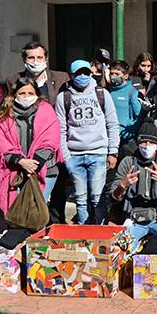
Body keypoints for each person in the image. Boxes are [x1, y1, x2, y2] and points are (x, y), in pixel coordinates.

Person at [56, 60, 120, 225]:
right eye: (78, 73)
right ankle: (83, 232)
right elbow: (61, 130)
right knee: (80, 199)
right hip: (74, 155)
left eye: (86, 72)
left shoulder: (102, 94)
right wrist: (66, 157)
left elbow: (112, 123)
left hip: (98, 154)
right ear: (71, 75)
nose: (82, 76)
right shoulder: (64, 97)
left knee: (98, 197)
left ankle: (100, 230)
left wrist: (113, 151)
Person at [0, 78, 63, 215]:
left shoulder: (47, 110)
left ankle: (34, 236)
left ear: (36, 93)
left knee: (36, 212)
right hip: (14, 169)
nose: (26, 97)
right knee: (16, 212)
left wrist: (34, 163)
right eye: (22, 93)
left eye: (30, 93)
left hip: (44, 168)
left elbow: (51, 138)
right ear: (14, 94)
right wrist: (21, 161)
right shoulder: (4, 113)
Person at [112, 122, 157, 239]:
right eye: (143, 142)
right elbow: (113, 197)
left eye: (151, 142)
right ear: (138, 143)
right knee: (123, 244)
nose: (147, 146)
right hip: (133, 217)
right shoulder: (128, 161)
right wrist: (123, 185)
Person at [4, 41, 69, 101]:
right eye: (31, 58)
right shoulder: (13, 80)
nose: (36, 62)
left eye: (39, 57)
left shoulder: (61, 78)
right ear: (24, 60)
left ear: (46, 59)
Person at [107, 60, 143, 156]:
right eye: (111, 73)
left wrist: (130, 131)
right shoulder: (107, 91)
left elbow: (139, 115)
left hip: (125, 141)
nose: (113, 76)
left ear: (125, 76)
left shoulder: (132, 91)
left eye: (117, 74)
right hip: (109, 140)